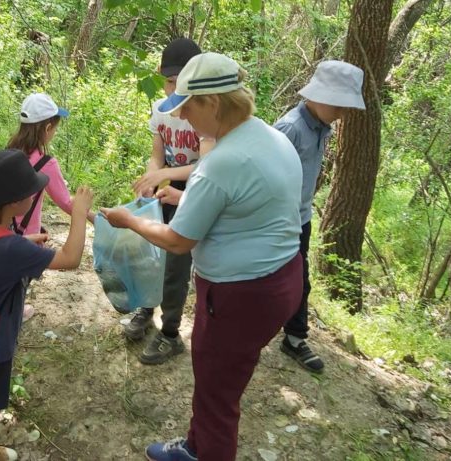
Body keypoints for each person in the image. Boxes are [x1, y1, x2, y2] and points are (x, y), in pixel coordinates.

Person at [102, 53, 303, 461]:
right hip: (282, 277)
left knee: (217, 394)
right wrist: (183, 196)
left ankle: (205, 451)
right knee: (222, 379)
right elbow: (245, 203)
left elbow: (177, 241)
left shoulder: (221, 163)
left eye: (187, 107)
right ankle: (196, 445)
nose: (185, 118)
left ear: (212, 103)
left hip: (240, 295)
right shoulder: (268, 136)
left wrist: (129, 221)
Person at [0, 149, 92, 461]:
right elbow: (70, 259)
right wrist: (78, 214)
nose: (36, 192)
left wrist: (25, 244)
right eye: (31, 189)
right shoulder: (10, 248)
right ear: (14, 203)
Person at [124, 37, 214, 365]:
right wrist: (152, 178)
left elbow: (208, 165)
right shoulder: (160, 111)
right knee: (152, 254)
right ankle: (146, 308)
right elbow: (156, 155)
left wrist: (173, 181)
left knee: (176, 266)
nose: (172, 87)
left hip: (197, 192)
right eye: (168, 80)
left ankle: (171, 333)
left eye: (180, 81)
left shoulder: (201, 112)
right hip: (166, 191)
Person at [274, 60, 365, 374]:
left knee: (299, 280)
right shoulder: (290, 128)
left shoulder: (321, 128)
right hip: (276, 220)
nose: (343, 112)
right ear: (320, 97)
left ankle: (294, 339)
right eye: (340, 104)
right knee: (268, 278)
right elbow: (264, 175)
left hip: (300, 217)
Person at [7, 92, 95, 237]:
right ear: (47, 128)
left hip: (2, 236)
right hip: (26, 239)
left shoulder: (9, 151)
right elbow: (66, 203)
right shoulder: (46, 164)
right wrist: (96, 218)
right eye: (55, 128)